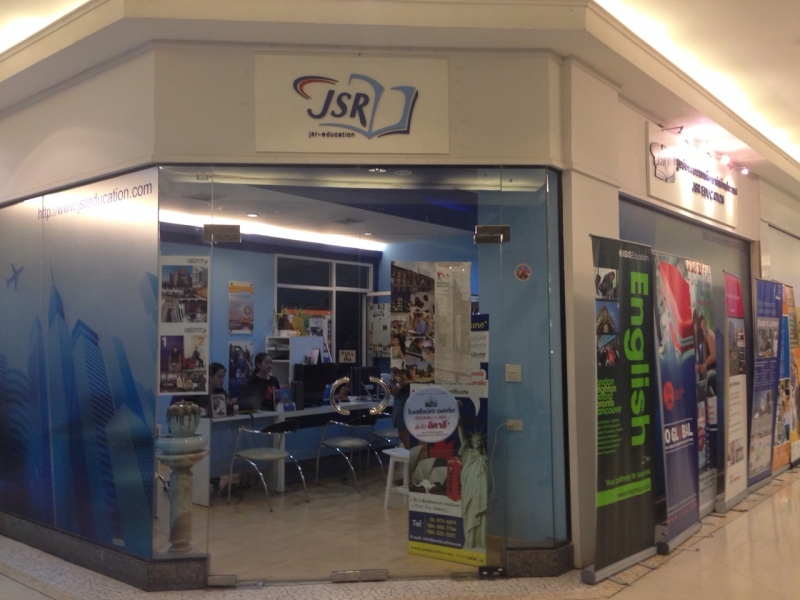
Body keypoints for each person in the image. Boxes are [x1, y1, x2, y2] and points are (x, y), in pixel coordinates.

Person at [458, 415, 487, 551]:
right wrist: (459, 421)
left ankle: (478, 542)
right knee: (468, 513)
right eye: (475, 439)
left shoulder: (484, 459)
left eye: (479, 440)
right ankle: (469, 542)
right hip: (468, 487)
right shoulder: (468, 453)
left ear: (482, 443)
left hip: (479, 489)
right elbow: (462, 437)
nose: (476, 441)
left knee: (478, 512)